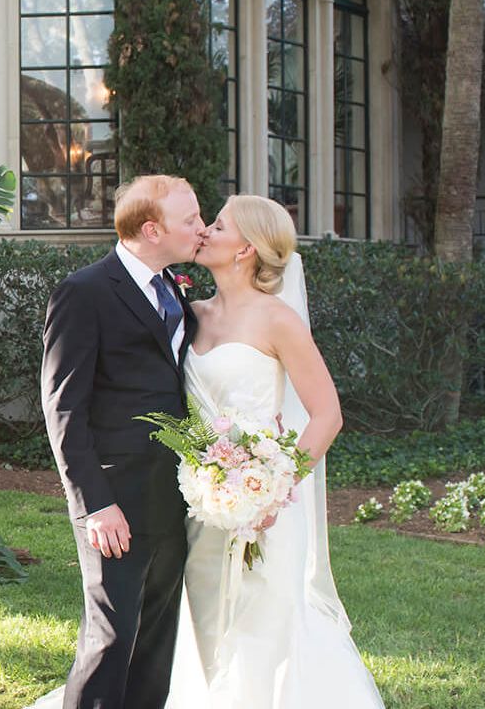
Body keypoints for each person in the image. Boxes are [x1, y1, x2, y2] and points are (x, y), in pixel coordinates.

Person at [166, 195, 383, 708]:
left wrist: (271, 492)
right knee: (204, 616)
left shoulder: (278, 320)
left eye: (217, 226)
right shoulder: (189, 314)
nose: (204, 232)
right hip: (202, 499)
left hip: (268, 508)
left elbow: (327, 414)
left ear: (245, 249)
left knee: (262, 622)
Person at [37, 175, 204, 709]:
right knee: (112, 635)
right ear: (152, 229)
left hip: (173, 490)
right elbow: (62, 406)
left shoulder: (174, 288)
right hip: (114, 494)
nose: (201, 228)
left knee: (157, 635)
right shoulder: (84, 292)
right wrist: (95, 504)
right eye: (191, 220)